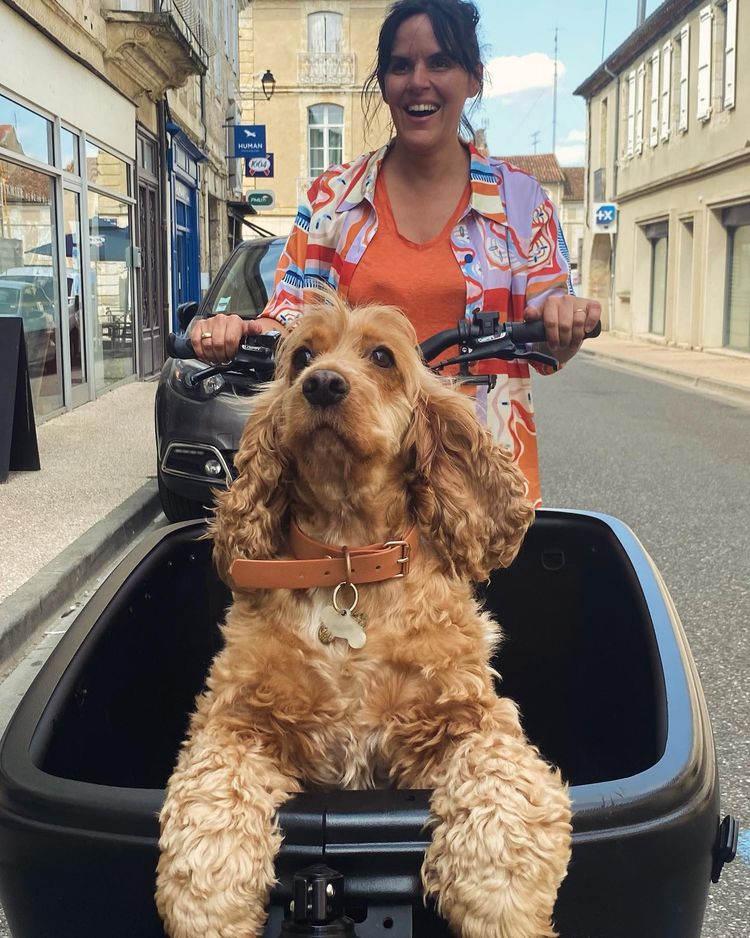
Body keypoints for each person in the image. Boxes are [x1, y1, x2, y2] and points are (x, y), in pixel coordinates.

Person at [191, 0, 601, 505]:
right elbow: (291, 318)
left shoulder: (522, 202)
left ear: (473, 78)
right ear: (384, 83)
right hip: (355, 489)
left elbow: (548, 344)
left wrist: (563, 319)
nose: (418, 81)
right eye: (401, 66)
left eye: (440, 62)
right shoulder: (332, 198)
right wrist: (239, 328)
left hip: (475, 481)